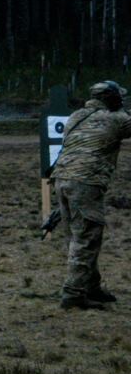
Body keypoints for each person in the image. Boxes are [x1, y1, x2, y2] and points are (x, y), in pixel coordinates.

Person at [52, 80, 131, 310]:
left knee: (76, 236)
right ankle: (74, 293)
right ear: (111, 98)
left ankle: (90, 286)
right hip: (86, 182)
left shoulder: (76, 117)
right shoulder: (115, 119)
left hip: (62, 178)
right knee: (87, 237)